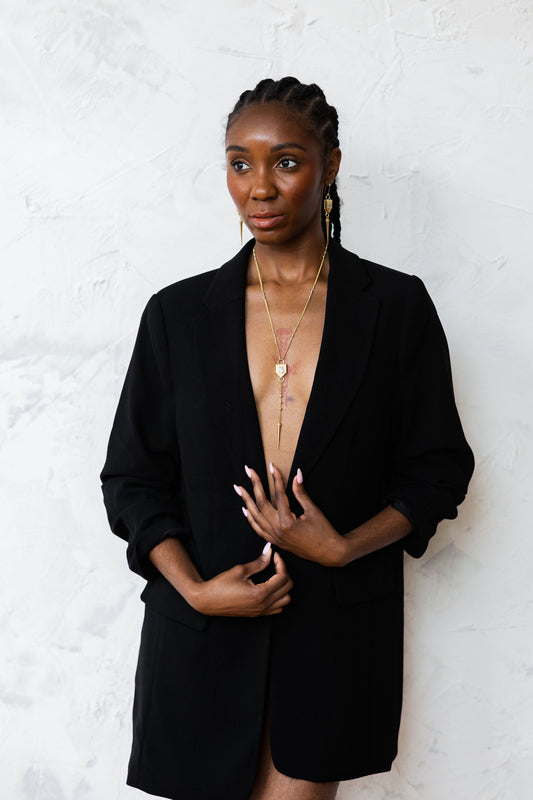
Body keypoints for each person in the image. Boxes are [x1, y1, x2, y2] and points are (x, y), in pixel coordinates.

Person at [100, 77, 475, 800]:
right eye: (240, 163)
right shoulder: (178, 315)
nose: (259, 188)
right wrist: (196, 591)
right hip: (202, 627)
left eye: (286, 162)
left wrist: (341, 546)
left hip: (332, 633)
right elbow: (132, 478)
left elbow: (437, 468)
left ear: (329, 165)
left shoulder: (392, 307)